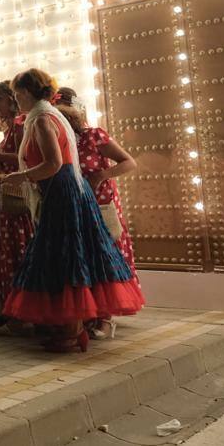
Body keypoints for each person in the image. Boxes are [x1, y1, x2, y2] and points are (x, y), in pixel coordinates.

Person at [1, 69, 143, 352]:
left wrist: (21, 176)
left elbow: (53, 163)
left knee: (66, 255)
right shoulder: (50, 115)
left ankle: (71, 329)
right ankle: (72, 327)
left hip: (62, 190)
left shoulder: (42, 119)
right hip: (65, 189)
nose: (17, 101)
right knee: (67, 254)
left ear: (28, 93)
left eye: (17, 95)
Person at [58, 101, 138, 340]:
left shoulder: (94, 137)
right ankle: (88, 313)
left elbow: (129, 162)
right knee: (85, 257)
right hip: (78, 208)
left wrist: (103, 175)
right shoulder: (63, 144)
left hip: (102, 206)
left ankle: (105, 317)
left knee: (105, 255)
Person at [0, 81, 36, 335]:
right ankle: (17, 314)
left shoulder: (20, 125)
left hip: (19, 201)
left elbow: (25, 159)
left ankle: (22, 316)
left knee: (18, 256)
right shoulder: (10, 129)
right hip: (9, 199)